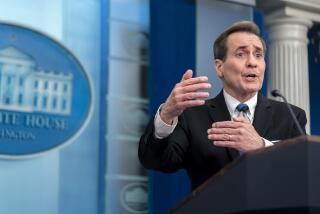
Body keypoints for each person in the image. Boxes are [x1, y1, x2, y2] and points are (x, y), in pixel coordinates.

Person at [138, 21, 307, 190]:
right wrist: (166, 114)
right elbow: (156, 161)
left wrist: (262, 146)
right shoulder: (192, 116)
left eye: (258, 55)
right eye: (241, 54)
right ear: (220, 67)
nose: (252, 63)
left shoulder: (290, 116)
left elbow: (304, 170)